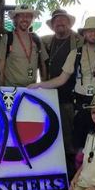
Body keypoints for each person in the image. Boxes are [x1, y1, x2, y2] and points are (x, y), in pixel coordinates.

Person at [30, 16, 95, 156]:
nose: (93, 33)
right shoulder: (76, 53)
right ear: (84, 33)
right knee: (79, 141)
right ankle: (78, 167)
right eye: (89, 31)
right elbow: (61, 79)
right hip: (81, 103)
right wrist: (40, 85)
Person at [40, 9, 82, 172]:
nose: (60, 23)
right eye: (56, 21)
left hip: (71, 95)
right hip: (51, 94)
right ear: (52, 25)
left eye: (63, 20)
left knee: (70, 133)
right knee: (52, 130)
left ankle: (71, 169)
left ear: (69, 23)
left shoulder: (78, 40)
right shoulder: (46, 41)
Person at [0, 5, 48, 86]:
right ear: (15, 19)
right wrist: (2, 89)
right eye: (21, 15)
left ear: (32, 19)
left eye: (28, 16)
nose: (25, 19)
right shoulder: (7, 38)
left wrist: (43, 86)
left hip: (32, 88)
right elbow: (0, 67)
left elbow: (43, 64)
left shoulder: (37, 39)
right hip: (12, 89)